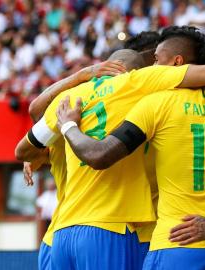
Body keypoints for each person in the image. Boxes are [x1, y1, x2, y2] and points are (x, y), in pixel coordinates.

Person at [52, 26, 205, 269]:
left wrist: (68, 127)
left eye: (156, 60)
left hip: (178, 239)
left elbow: (99, 155)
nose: (150, 68)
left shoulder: (155, 104)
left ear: (175, 63)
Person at [16, 45, 205, 269]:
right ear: (135, 71)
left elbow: (22, 148)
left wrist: (44, 150)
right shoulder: (138, 84)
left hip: (61, 233)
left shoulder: (69, 99)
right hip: (112, 228)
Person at [19, 60, 126, 270]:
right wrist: (82, 75)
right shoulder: (62, 123)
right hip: (90, 230)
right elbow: (35, 111)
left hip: (71, 233)